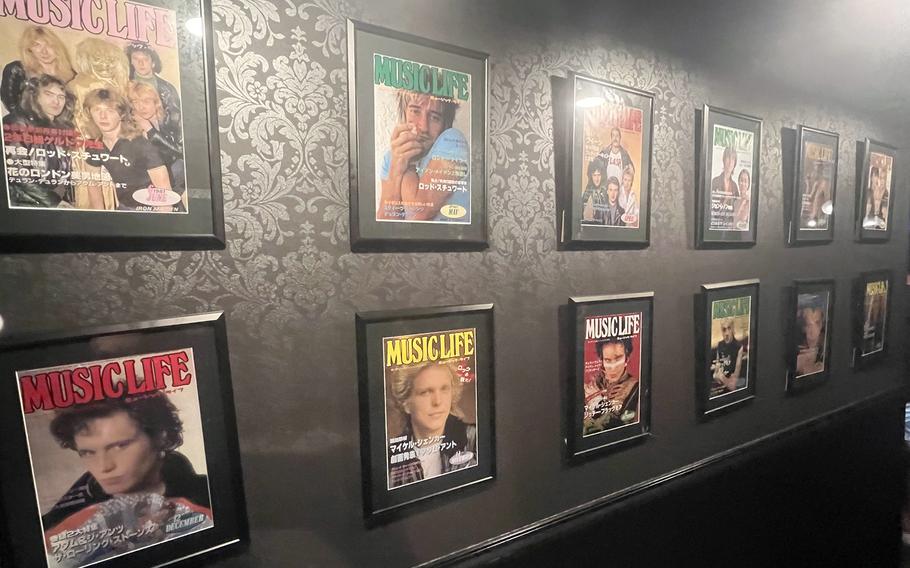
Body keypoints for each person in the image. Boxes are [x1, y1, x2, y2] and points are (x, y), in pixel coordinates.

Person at [41, 391, 211, 533]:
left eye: (119, 446)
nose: (104, 466)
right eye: (88, 452)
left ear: (161, 436)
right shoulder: (61, 522)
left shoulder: (211, 495)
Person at [378, 90, 469, 221]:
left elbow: (417, 214)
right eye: (415, 111)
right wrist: (395, 171)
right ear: (404, 113)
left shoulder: (453, 141)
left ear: (445, 124)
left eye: (434, 117)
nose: (424, 127)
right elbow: (384, 225)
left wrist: (406, 165)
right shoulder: (391, 158)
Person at [387, 362, 477, 488]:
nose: (437, 401)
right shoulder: (390, 458)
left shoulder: (475, 440)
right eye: (425, 392)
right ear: (406, 403)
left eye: (444, 389)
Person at [81, 88, 173, 211]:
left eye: (110, 110)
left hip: (152, 210)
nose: (103, 116)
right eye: (97, 110)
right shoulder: (94, 145)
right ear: (89, 113)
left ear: (122, 114)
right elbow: (93, 186)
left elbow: (166, 198)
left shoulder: (141, 144)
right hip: (125, 208)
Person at [3, 74, 76, 208]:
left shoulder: (63, 127)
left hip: (57, 202)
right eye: (49, 94)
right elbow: (19, 173)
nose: (56, 101)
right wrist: (54, 201)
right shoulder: (17, 123)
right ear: (34, 95)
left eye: (61, 97)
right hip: (28, 204)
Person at [1, 26, 75, 115]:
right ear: (29, 50)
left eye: (49, 45)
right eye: (37, 45)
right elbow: (11, 105)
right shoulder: (17, 70)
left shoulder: (71, 75)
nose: (44, 51)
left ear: (57, 48)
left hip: (61, 128)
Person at [128, 81, 185, 193]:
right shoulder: (130, 127)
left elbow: (181, 151)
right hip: (145, 183)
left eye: (146, 101)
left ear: (156, 103)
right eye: (136, 102)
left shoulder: (170, 120)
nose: (141, 107)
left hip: (174, 177)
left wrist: (150, 130)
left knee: (180, 165)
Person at [583, 337, 640, 435]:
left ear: (627, 359)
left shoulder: (636, 388)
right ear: (602, 361)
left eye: (618, 358)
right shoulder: (591, 387)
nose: (613, 367)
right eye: (607, 360)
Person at [125, 42, 181, 132]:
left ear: (153, 63)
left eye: (146, 59)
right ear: (131, 62)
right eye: (136, 59)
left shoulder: (168, 89)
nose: (141, 63)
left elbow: (177, 121)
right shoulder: (124, 86)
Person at [711, 318, 746, 396]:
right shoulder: (720, 345)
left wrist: (722, 377)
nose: (726, 333)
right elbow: (716, 371)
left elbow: (734, 381)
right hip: (722, 382)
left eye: (729, 328)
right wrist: (717, 372)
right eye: (724, 329)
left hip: (733, 383)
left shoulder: (739, 347)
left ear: (733, 330)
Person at [795, 304, 826, 377]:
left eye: (817, 323)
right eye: (809, 325)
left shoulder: (826, 348)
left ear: (822, 325)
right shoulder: (797, 349)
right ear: (803, 328)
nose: (813, 331)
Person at [581, 157, 608, 224]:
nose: (597, 178)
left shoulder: (606, 187)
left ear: (602, 175)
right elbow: (581, 205)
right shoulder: (590, 186)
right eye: (594, 175)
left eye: (599, 175)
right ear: (591, 175)